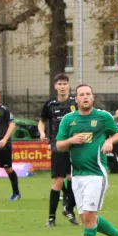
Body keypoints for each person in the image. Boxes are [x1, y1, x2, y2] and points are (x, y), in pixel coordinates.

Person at [56, 84, 118, 236]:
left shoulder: (103, 117)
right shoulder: (68, 120)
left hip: (96, 174)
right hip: (77, 175)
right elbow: (59, 146)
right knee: (87, 219)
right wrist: (71, 140)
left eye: (88, 94)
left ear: (93, 97)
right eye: (82, 94)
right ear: (77, 99)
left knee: (89, 216)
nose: (85, 97)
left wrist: (110, 141)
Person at [38, 74, 79, 226]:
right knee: (59, 181)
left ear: (68, 86)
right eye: (60, 83)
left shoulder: (75, 103)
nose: (62, 86)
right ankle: (51, 218)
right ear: (55, 86)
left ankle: (68, 208)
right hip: (58, 145)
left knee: (74, 179)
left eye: (65, 83)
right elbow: (41, 122)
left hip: (75, 146)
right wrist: (42, 133)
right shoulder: (50, 104)